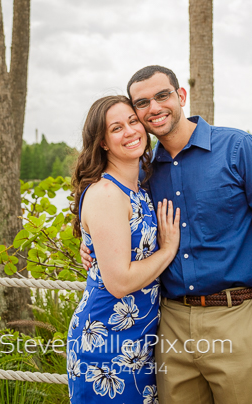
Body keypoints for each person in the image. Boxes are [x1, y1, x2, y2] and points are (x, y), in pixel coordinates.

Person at [81, 65, 252, 404]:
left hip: (237, 316)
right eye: (142, 103)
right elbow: (118, 218)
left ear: (181, 96)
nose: (154, 108)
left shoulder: (239, 148)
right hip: (170, 324)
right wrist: (89, 241)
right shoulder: (145, 169)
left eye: (162, 95)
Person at [68, 94, 181, 404]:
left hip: (140, 339)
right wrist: (168, 250)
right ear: (103, 142)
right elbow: (119, 282)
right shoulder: (107, 193)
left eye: (133, 121)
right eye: (116, 128)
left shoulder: (137, 188)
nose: (130, 131)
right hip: (106, 340)